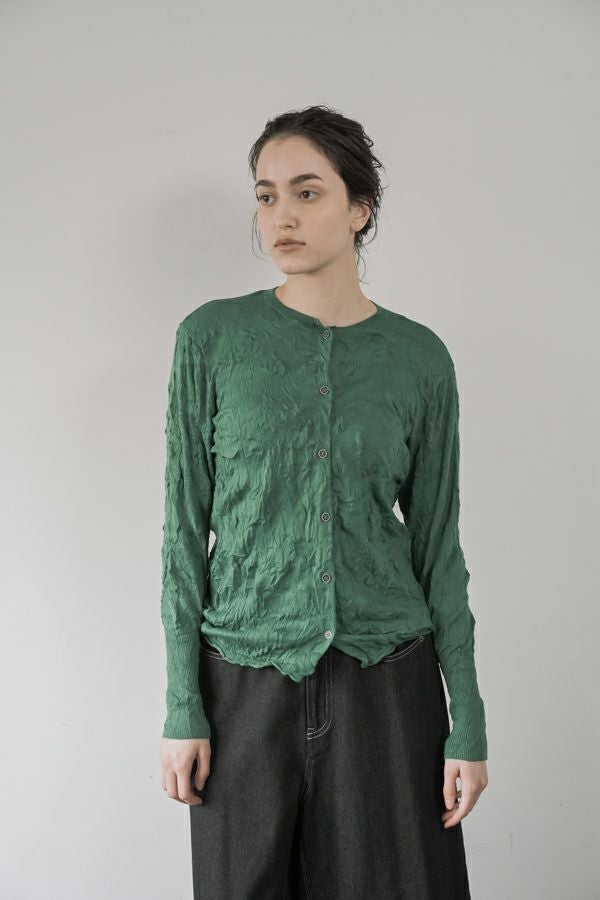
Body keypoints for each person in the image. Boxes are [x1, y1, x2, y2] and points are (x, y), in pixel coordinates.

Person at [158, 104, 488, 899]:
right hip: (242, 685)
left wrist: (468, 720)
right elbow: (183, 536)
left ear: (360, 208)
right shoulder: (212, 340)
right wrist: (182, 706)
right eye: (267, 195)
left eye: (307, 193)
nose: (282, 216)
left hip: (389, 688)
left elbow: (438, 547)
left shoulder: (418, 358)